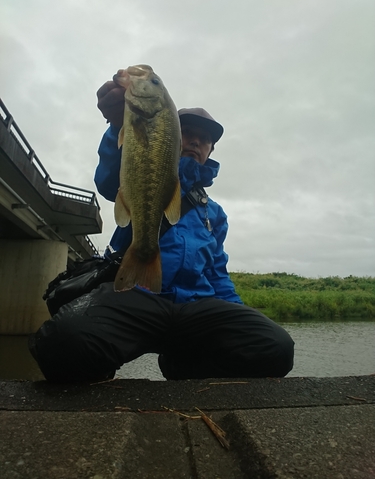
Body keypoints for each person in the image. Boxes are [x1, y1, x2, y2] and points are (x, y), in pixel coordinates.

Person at [28, 77, 294, 382]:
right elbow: (108, 180)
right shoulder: (141, 161)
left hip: (197, 307)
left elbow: (217, 273)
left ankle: (182, 364)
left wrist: (235, 318)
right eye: (187, 133)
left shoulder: (214, 214)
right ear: (169, 135)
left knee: (275, 348)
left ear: (210, 149)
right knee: (63, 343)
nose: (195, 141)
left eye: (203, 139)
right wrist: (117, 124)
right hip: (135, 294)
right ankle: (100, 367)